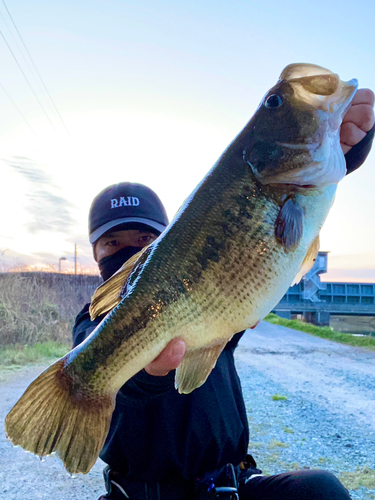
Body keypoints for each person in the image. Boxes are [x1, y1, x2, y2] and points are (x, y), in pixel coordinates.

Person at [72, 89, 375, 500]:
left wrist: (338, 156)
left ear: (165, 244)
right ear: (95, 254)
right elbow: (125, 391)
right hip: (142, 494)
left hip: (231, 486)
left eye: (144, 237)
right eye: (112, 243)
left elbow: (257, 242)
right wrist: (146, 372)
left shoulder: (217, 290)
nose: (127, 249)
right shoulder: (90, 321)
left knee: (321, 491)